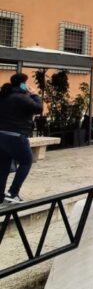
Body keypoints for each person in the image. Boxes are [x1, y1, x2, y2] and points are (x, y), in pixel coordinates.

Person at [0, 73, 43, 205]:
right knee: (26, 162)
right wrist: (35, 95)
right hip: (17, 136)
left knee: (3, 166)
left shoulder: (3, 95)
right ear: (22, 84)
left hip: (1, 135)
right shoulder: (22, 97)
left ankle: (0, 195)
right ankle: (14, 192)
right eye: (26, 82)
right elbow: (38, 108)